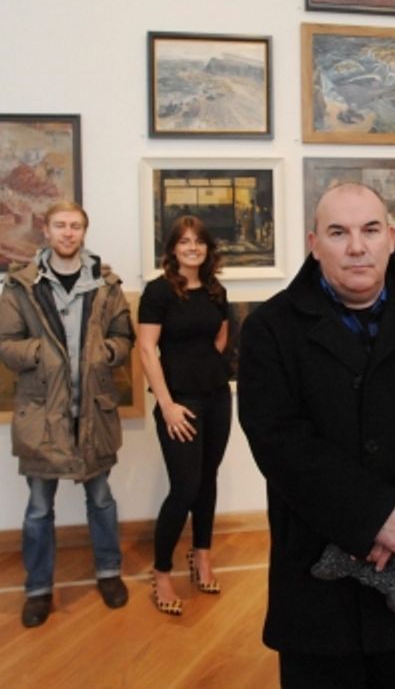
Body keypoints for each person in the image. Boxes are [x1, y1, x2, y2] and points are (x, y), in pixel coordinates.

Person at [237, 182, 395, 687]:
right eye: (338, 232)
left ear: (392, 238)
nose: (356, 246)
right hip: (316, 567)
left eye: (370, 230)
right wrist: (374, 514)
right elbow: (279, 441)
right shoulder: (269, 328)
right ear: (313, 243)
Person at [0, 201, 135, 628]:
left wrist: (104, 353)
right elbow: (1, 342)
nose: (68, 233)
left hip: (93, 409)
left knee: (102, 499)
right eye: (60, 226)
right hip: (41, 412)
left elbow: (122, 336)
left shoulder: (106, 283)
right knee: (38, 507)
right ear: (46, 230)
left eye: (75, 226)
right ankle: (38, 588)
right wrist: (43, 355)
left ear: (84, 231)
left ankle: (109, 572)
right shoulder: (22, 284)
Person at [138, 215, 232, 616]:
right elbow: (146, 350)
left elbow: (221, 335)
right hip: (180, 402)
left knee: (207, 479)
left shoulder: (215, 289)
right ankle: (161, 573)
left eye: (199, 241)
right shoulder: (158, 292)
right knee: (185, 487)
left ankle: (202, 556)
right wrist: (168, 404)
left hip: (217, 397)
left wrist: (208, 364)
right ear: (172, 248)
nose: (192, 247)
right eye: (184, 241)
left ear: (207, 248)